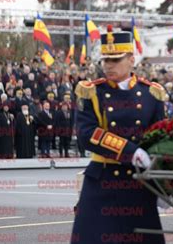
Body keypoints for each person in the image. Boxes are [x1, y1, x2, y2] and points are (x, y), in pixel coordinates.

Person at [71, 28, 166, 244]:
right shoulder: (91, 92)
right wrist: (130, 151)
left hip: (139, 184)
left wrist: (163, 184)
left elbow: (160, 141)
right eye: (105, 60)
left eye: (115, 59)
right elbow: (87, 134)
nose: (108, 65)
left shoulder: (152, 93)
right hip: (102, 182)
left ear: (131, 59)